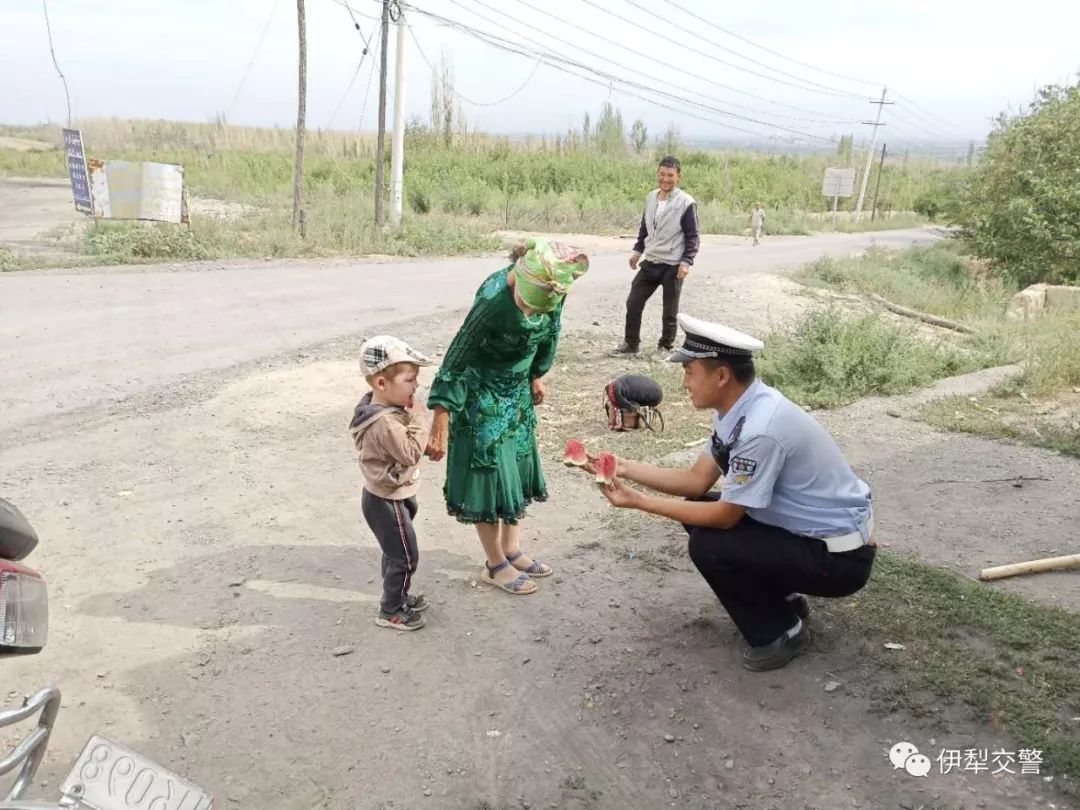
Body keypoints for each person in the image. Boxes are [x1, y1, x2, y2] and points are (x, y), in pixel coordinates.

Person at [589, 313, 876, 671]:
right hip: (811, 540)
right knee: (697, 509)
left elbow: (725, 517)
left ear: (721, 375)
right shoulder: (737, 409)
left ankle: (783, 632)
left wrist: (638, 501)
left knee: (710, 543)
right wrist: (622, 466)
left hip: (839, 561)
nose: (684, 383)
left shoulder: (760, 430)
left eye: (689, 372)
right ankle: (784, 599)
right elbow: (696, 481)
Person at [425, 238, 588, 595]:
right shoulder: (493, 300)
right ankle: (495, 563)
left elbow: (550, 334)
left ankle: (512, 548)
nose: (533, 312)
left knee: (516, 464)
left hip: (517, 388)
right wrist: (441, 416)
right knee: (489, 472)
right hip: (482, 390)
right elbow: (455, 359)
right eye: (527, 304)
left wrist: (536, 374)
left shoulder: (553, 285)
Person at [350, 336, 434, 631]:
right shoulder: (383, 423)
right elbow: (410, 452)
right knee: (406, 555)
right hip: (386, 500)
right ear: (382, 384)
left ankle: (396, 596)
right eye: (410, 380)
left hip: (390, 495)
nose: (416, 386)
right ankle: (390, 611)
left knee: (394, 551)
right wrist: (421, 420)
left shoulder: (378, 406)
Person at [614, 155, 700, 357]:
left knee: (670, 310)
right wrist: (637, 251)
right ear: (657, 174)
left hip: (673, 264)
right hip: (651, 261)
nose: (665, 179)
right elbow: (645, 228)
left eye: (670, 175)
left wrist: (686, 261)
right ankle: (631, 344)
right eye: (662, 174)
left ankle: (665, 347)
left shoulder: (686, 202)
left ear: (678, 177)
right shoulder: (651, 197)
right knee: (633, 302)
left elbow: (693, 236)